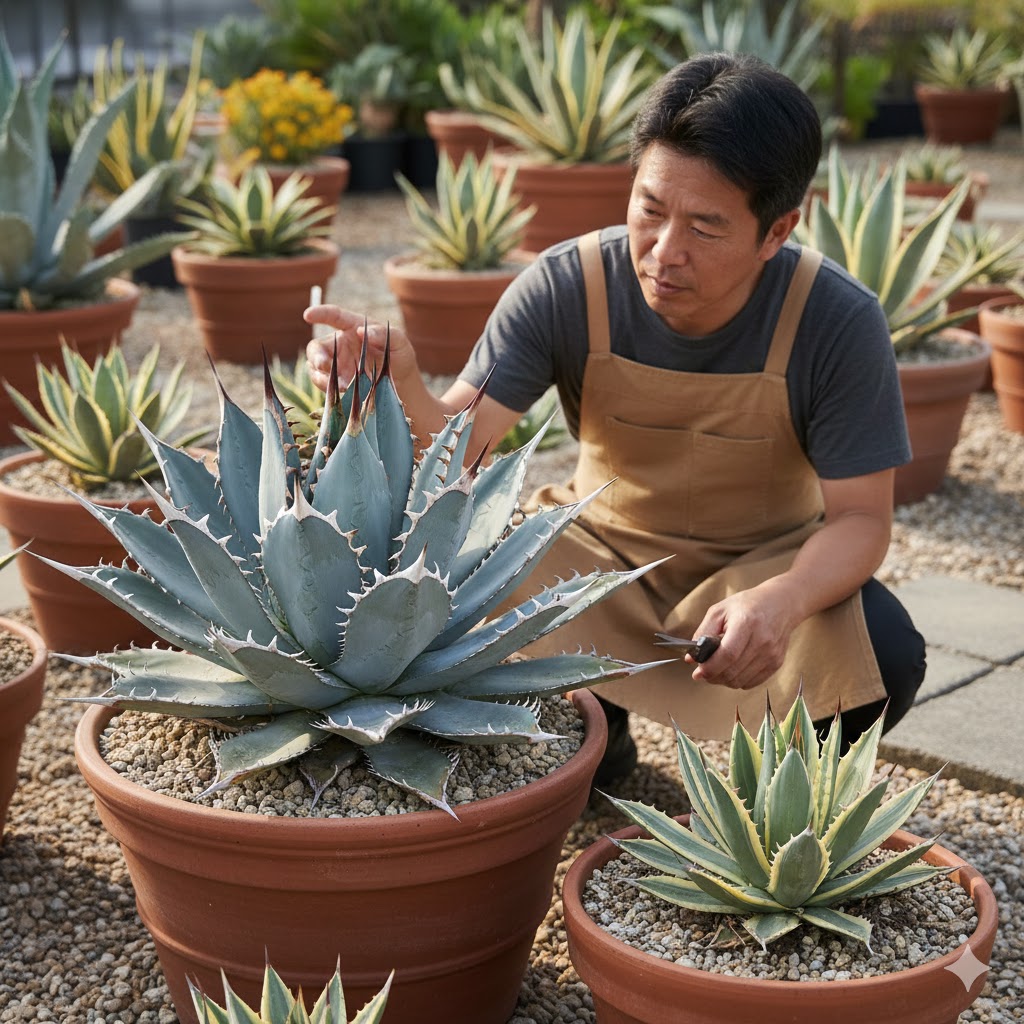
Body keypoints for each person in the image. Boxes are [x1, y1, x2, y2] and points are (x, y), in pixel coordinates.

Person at [305, 52, 926, 785]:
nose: (665, 252)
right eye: (651, 210)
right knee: (454, 586)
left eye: (705, 227)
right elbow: (453, 451)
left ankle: (790, 790)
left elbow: (861, 520)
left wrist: (780, 602)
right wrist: (395, 381)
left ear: (776, 230)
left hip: (761, 567)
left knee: (882, 648)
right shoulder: (569, 287)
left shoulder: (836, 319)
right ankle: (601, 743)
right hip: (602, 558)